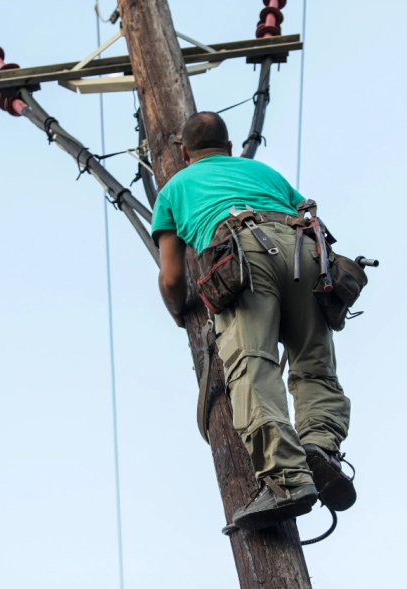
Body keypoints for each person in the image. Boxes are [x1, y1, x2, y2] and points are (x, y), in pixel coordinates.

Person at [151, 111, 354, 531]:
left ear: (185, 152)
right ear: (228, 148)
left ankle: (286, 480)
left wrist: (178, 309)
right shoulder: (263, 171)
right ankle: (319, 447)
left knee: (252, 363)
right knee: (314, 366)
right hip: (306, 252)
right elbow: (306, 211)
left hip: (242, 255)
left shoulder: (174, 188)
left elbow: (172, 277)